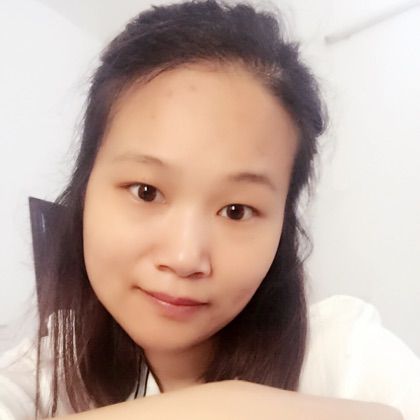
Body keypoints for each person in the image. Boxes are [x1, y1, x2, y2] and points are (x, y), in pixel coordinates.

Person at [0, 0, 419, 419]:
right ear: (86, 188)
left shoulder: (346, 356)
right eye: (146, 191)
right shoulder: (40, 375)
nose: (185, 258)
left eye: (236, 210)